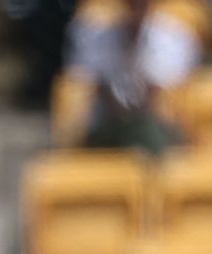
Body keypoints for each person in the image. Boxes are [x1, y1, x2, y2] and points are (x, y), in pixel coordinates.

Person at [67, 0, 197, 153]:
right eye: (131, 4)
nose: (136, 10)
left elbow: (156, 92)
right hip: (108, 120)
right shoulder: (95, 36)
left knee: (150, 136)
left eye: (141, 4)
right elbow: (98, 84)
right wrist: (120, 111)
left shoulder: (173, 37)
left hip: (153, 120)